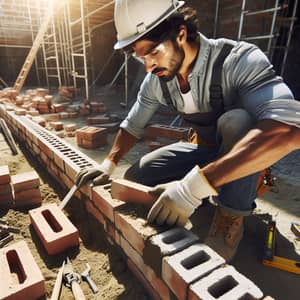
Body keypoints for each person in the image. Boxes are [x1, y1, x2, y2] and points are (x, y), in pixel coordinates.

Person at [75, 0, 300, 262]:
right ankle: (207, 191)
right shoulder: (157, 80)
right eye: (140, 56)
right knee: (138, 176)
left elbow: (289, 129)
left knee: (236, 121)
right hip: (205, 153)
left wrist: (191, 188)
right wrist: (109, 164)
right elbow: (134, 124)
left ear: (180, 34)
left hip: (245, 163)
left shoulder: (238, 61)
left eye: (153, 53)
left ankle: (229, 218)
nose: (147, 66)